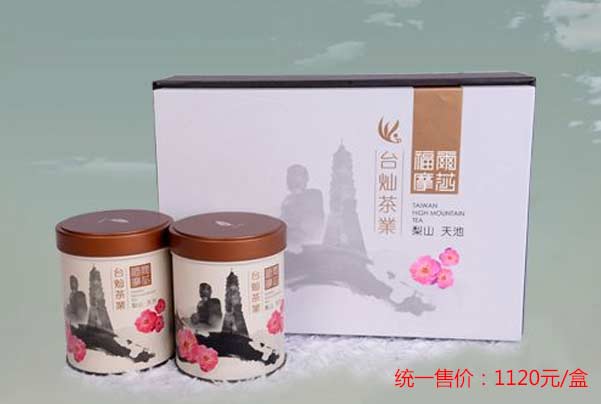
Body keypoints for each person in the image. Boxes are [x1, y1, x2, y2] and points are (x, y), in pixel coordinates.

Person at [281, 164, 325, 248]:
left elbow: (310, 224)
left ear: (306, 178)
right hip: (290, 243)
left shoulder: (314, 195)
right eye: (290, 176)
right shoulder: (287, 200)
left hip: (306, 244)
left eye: (296, 174)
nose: (292, 178)